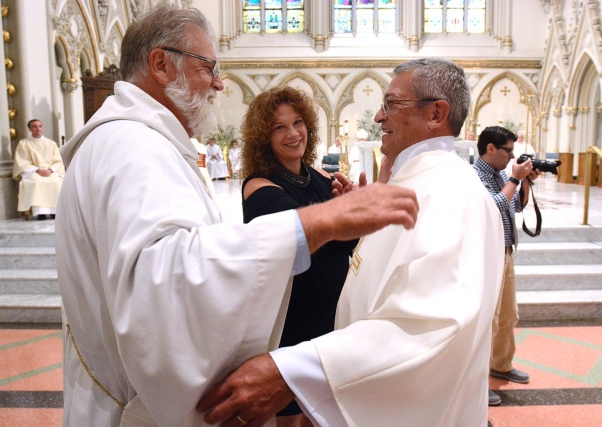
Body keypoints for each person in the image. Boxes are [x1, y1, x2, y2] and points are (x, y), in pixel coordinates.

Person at [55, 6, 419, 427]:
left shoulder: (137, 141)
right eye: (207, 66)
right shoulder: (132, 147)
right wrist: (325, 220)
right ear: (160, 64)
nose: (218, 82)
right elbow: (171, 278)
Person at [197, 58, 505, 427]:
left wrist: (289, 371)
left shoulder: (449, 193)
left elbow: (425, 329)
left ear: (436, 113)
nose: (378, 117)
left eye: (391, 104)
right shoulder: (416, 182)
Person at [241, 86, 359, 426]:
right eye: (279, 127)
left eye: (297, 123)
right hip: (295, 315)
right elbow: (306, 242)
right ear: (264, 136)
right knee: (290, 414)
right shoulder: (260, 186)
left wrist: (352, 207)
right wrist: (350, 212)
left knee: (323, 411)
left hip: (332, 313)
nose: (293, 134)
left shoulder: (324, 178)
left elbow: (350, 244)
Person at [473, 126, 541, 406]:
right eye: (508, 151)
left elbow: (516, 207)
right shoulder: (474, 175)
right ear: (491, 149)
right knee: (488, 318)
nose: (512, 156)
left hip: (506, 251)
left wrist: (525, 182)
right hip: (487, 253)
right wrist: (515, 176)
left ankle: (501, 364)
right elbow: (493, 206)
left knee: (508, 314)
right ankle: (476, 383)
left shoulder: (502, 173)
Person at [12, 119, 65, 220]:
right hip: (34, 171)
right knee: (37, 182)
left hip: (50, 172)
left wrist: (51, 170)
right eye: (34, 126)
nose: (38, 129)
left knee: (56, 182)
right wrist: (36, 170)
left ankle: (55, 212)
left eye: (40, 126)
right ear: (30, 129)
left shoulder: (51, 144)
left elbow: (58, 160)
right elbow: (22, 161)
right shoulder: (24, 144)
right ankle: (41, 213)